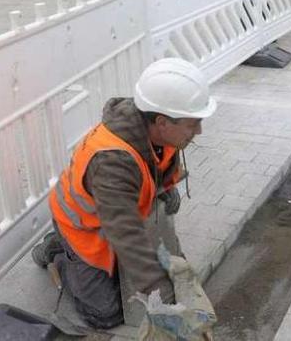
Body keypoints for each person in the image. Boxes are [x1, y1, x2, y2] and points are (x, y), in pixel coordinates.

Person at [31, 58, 217, 329]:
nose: (198, 131)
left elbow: (158, 169)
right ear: (163, 122)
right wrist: (162, 296)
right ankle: (57, 252)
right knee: (104, 314)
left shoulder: (157, 129)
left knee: (161, 215)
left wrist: (166, 190)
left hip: (113, 213)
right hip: (80, 225)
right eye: (192, 124)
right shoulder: (112, 163)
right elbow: (126, 234)